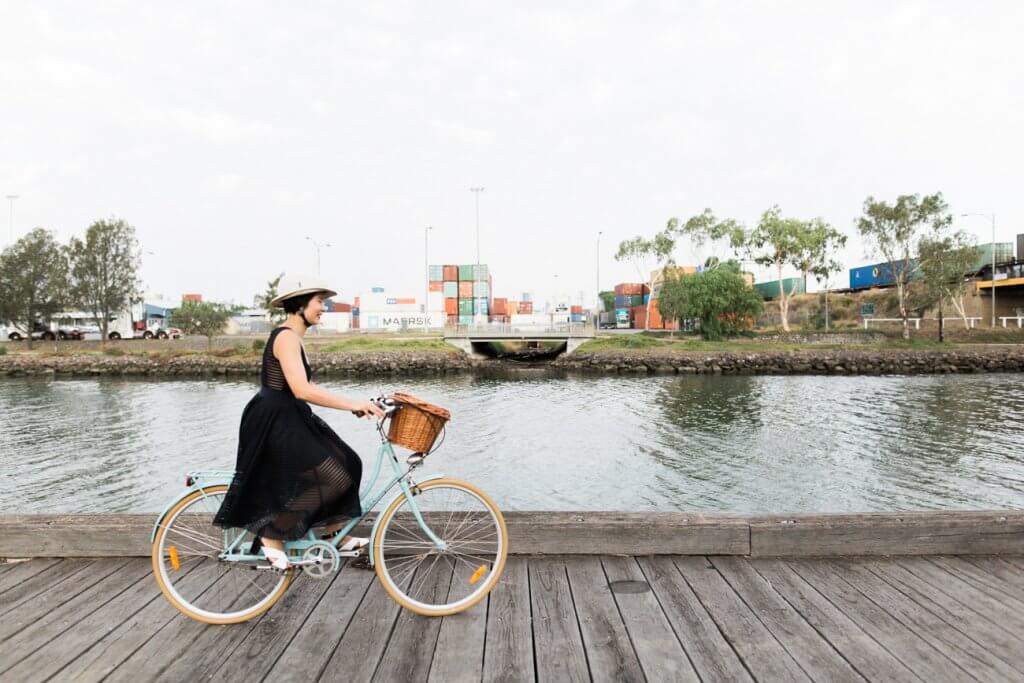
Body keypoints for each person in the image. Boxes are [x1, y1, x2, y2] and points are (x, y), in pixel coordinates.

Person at [213, 274, 385, 569]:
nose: (323, 308)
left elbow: (300, 392)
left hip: (290, 413)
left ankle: (333, 534)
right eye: (319, 301)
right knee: (333, 474)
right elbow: (302, 389)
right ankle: (271, 534)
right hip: (274, 419)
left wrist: (355, 406)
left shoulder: (295, 338)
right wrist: (352, 404)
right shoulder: (286, 338)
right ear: (299, 303)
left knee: (349, 462)